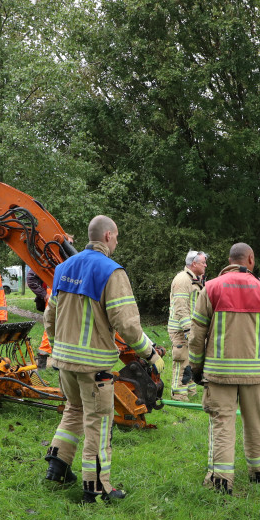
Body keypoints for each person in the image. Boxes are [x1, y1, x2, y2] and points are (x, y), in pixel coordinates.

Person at [42, 215, 163, 503]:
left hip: (64, 361)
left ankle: (57, 467)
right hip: (94, 367)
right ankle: (96, 489)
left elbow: (50, 317)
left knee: (73, 410)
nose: (117, 241)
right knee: (99, 422)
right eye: (117, 236)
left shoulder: (63, 268)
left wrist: (59, 348)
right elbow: (128, 324)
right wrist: (150, 353)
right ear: (108, 236)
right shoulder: (111, 271)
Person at [189, 243, 260, 494]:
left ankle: (220, 480)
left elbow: (196, 335)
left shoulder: (210, 288)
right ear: (250, 259)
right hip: (256, 375)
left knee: (222, 424)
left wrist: (196, 368)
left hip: (219, 373)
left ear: (229, 260)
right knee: (256, 422)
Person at [167, 250, 207, 401]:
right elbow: (181, 307)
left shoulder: (194, 279)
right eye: (203, 262)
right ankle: (178, 393)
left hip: (189, 329)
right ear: (194, 263)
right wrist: (188, 330)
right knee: (182, 359)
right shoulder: (183, 279)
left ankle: (190, 390)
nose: (206, 265)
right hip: (180, 329)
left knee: (190, 360)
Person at [26, 267, 52, 368]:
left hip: (57, 295)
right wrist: (44, 294)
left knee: (53, 328)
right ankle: (43, 362)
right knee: (52, 328)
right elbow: (31, 278)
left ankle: (44, 361)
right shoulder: (48, 260)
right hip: (55, 296)